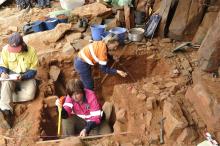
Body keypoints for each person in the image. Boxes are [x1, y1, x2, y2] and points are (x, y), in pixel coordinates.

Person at [0, 32, 38, 129]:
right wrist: (3, 72)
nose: (13, 51)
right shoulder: (5, 49)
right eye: (11, 49)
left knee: (31, 94)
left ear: (22, 44)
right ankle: (6, 112)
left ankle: (5, 97)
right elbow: (2, 66)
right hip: (11, 77)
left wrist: (23, 76)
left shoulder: (32, 51)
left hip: (25, 78)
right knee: (6, 83)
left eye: (15, 49)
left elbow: (33, 71)